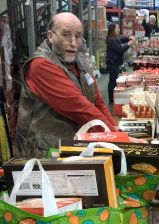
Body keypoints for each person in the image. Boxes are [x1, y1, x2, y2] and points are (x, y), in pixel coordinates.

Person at [14, 12, 117, 158]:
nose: (73, 43)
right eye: (66, 35)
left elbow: (97, 101)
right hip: (42, 155)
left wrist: (115, 131)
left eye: (78, 36)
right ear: (50, 36)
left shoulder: (80, 61)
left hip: (70, 148)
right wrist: (117, 138)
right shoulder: (41, 65)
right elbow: (81, 108)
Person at [106, 23, 135, 104]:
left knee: (114, 79)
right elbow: (120, 49)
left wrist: (129, 37)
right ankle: (111, 99)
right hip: (113, 63)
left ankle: (113, 97)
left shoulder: (115, 38)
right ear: (113, 30)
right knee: (112, 80)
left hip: (114, 62)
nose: (119, 30)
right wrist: (129, 44)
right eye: (117, 28)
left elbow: (122, 39)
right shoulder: (111, 40)